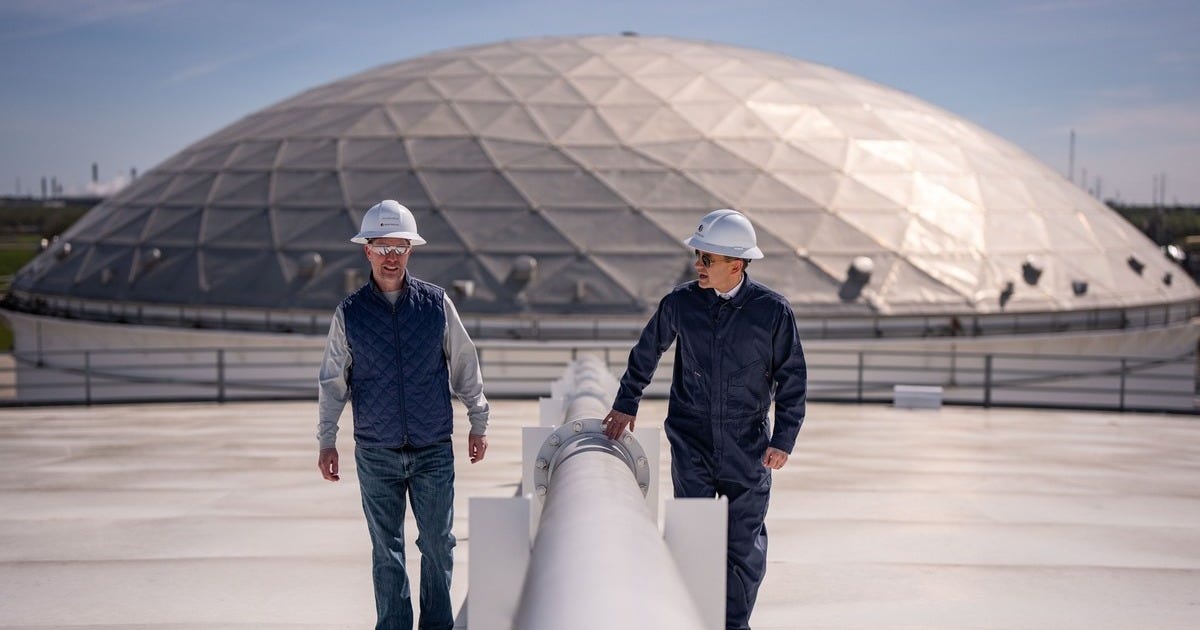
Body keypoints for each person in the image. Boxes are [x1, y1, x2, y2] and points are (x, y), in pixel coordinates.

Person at [602, 208, 807, 630]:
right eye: (698, 256)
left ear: (736, 264)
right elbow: (647, 351)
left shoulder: (772, 311)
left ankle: (732, 625)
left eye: (707, 259)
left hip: (747, 445)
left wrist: (783, 439)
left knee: (742, 546)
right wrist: (626, 402)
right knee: (692, 536)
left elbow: (792, 377)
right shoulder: (681, 303)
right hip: (691, 440)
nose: (698, 264)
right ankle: (694, 619)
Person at [317, 199, 490, 630]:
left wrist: (478, 420)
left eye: (400, 247)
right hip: (376, 452)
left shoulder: (436, 304)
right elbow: (333, 381)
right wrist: (326, 440)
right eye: (382, 247)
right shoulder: (349, 313)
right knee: (386, 551)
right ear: (367, 251)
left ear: (410, 250)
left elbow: (464, 364)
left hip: (433, 449)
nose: (391, 257)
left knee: (438, 545)